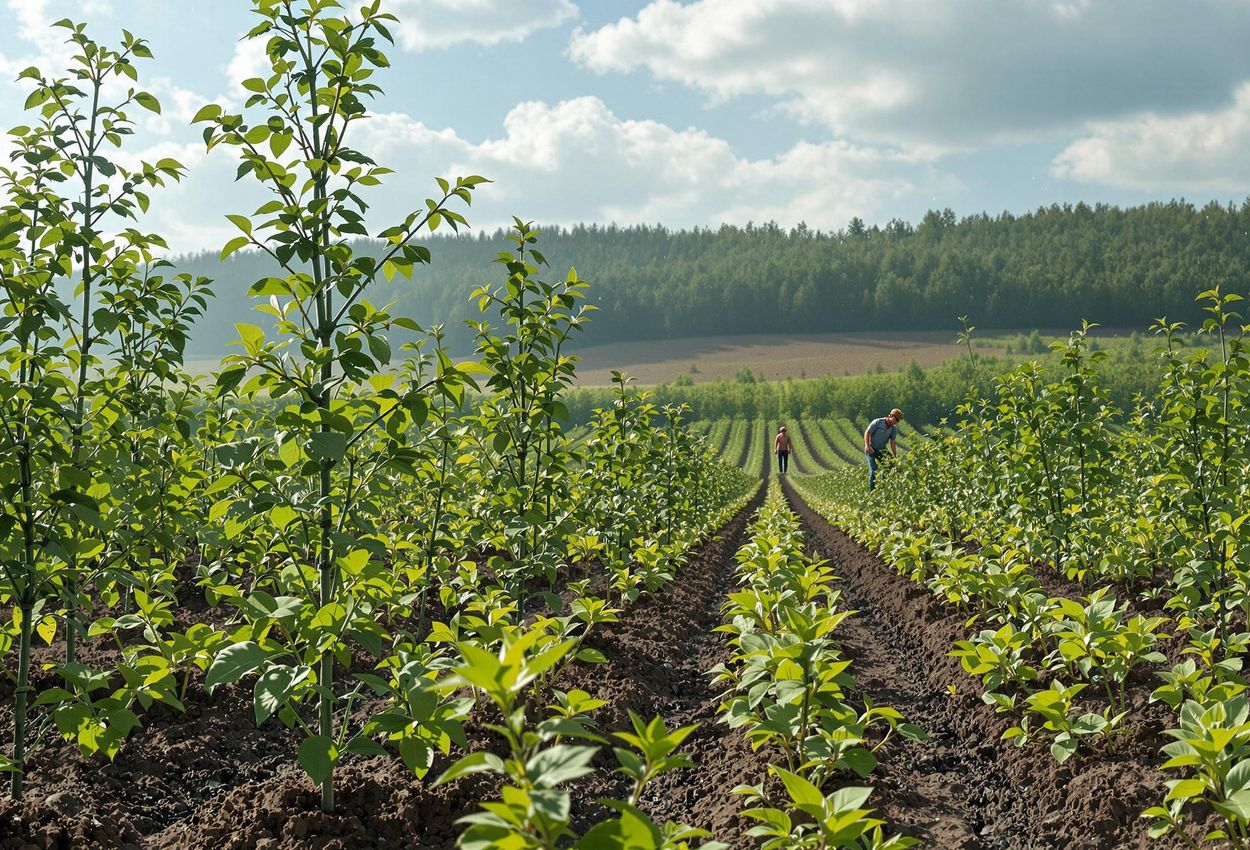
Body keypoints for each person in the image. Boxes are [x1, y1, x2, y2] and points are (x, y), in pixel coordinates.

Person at [863, 408, 903, 491]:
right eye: (895, 419)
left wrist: (895, 455)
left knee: (892, 465)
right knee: (874, 470)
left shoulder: (893, 429)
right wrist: (867, 445)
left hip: (881, 450)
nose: (895, 422)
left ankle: (883, 486)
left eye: (897, 421)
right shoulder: (878, 422)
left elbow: (892, 442)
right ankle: (872, 492)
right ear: (891, 416)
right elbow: (867, 433)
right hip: (871, 449)